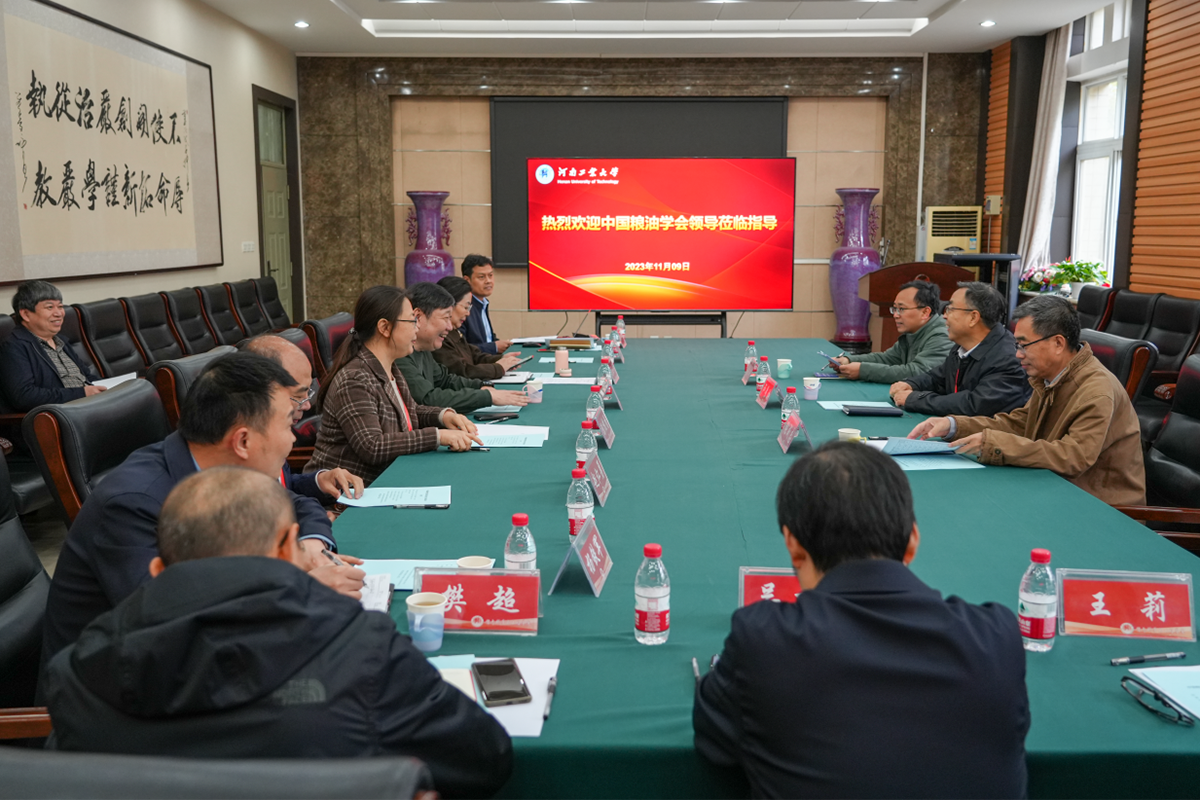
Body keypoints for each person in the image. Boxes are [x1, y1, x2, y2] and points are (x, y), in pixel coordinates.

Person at [44, 467, 513, 800]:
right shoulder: (358, 645)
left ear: (157, 569)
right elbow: (483, 759)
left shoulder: (77, 673)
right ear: (290, 546)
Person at [693, 441, 1029, 800]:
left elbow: (715, 738)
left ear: (793, 545)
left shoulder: (764, 642)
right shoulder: (996, 639)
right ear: (912, 540)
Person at [42, 352, 367, 668]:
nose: (293, 438)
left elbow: (296, 502)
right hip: (119, 684)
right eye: (286, 424)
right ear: (242, 441)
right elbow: (170, 623)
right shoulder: (132, 504)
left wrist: (310, 547)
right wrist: (299, 589)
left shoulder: (220, 465)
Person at [909, 295, 1146, 506]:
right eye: (1017, 345)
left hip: (1101, 508)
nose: (1017, 354)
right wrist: (953, 425)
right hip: (1057, 490)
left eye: (1024, 345)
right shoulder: (1052, 376)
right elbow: (1020, 424)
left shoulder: (1097, 390)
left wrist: (992, 444)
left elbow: (1073, 457)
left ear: (1058, 343)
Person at [306, 285, 481, 486]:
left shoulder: (389, 366)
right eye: (412, 321)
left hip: (389, 478)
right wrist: (437, 436)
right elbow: (372, 446)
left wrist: (444, 416)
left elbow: (408, 412)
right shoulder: (355, 379)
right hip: (352, 492)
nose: (417, 328)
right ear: (385, 328)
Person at [241, 333, 365, 502]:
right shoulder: (244, 448)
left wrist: (319, 481)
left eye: (308, 392)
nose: (306, 405)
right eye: (298, 396)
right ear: (265, 391)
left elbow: (284, 485)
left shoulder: (271, 429)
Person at [890, 281, 1031, 416]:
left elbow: (974, 405)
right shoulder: (961, 347)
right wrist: (911, 384)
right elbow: (938, 378)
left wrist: (915, 399)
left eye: (950, 309)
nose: (944, 316)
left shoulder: (1008, 358)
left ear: (973, 317)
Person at [397, 283, 528, 414]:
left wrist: (482, 386)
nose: (449, 327)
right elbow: (428, 399)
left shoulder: (424, 349)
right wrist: (487, 396)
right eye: (446, 318)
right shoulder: (400, 354)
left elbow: (445, 380)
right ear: (418, 317)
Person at [0, 280, 104, 411]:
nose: (59, 313)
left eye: (60, 306)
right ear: (26, 314)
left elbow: (86, 377)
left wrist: (107, 387)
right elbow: (25, 397)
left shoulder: (60, 341)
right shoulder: (13, 347)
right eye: (50, 307)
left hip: (89, 406)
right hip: (60, 415)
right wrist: (82, 393)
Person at [831, 280, 953, 382]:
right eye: (894, 308)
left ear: (925, 312)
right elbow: (887, 359)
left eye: (901, 309)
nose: (895, 315)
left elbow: (916, 372)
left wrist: (862, 370)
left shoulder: (942, 335)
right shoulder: (913, 331)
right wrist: (849, 360)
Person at [434, 276, 527, 380]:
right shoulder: (439, 336)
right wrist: (498, 368)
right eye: (466, 307)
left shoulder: (454, 332)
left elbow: (474, 356)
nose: (468, 313)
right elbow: (462, 371)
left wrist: (501, 359)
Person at [461, 254, 510, 354]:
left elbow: (488, 339)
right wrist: (494, 347)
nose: (488, 281)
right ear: (467, 280)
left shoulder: (482, 303)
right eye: (481, 277)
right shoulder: (463, 308)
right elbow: (462, 349)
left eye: (490, 275)